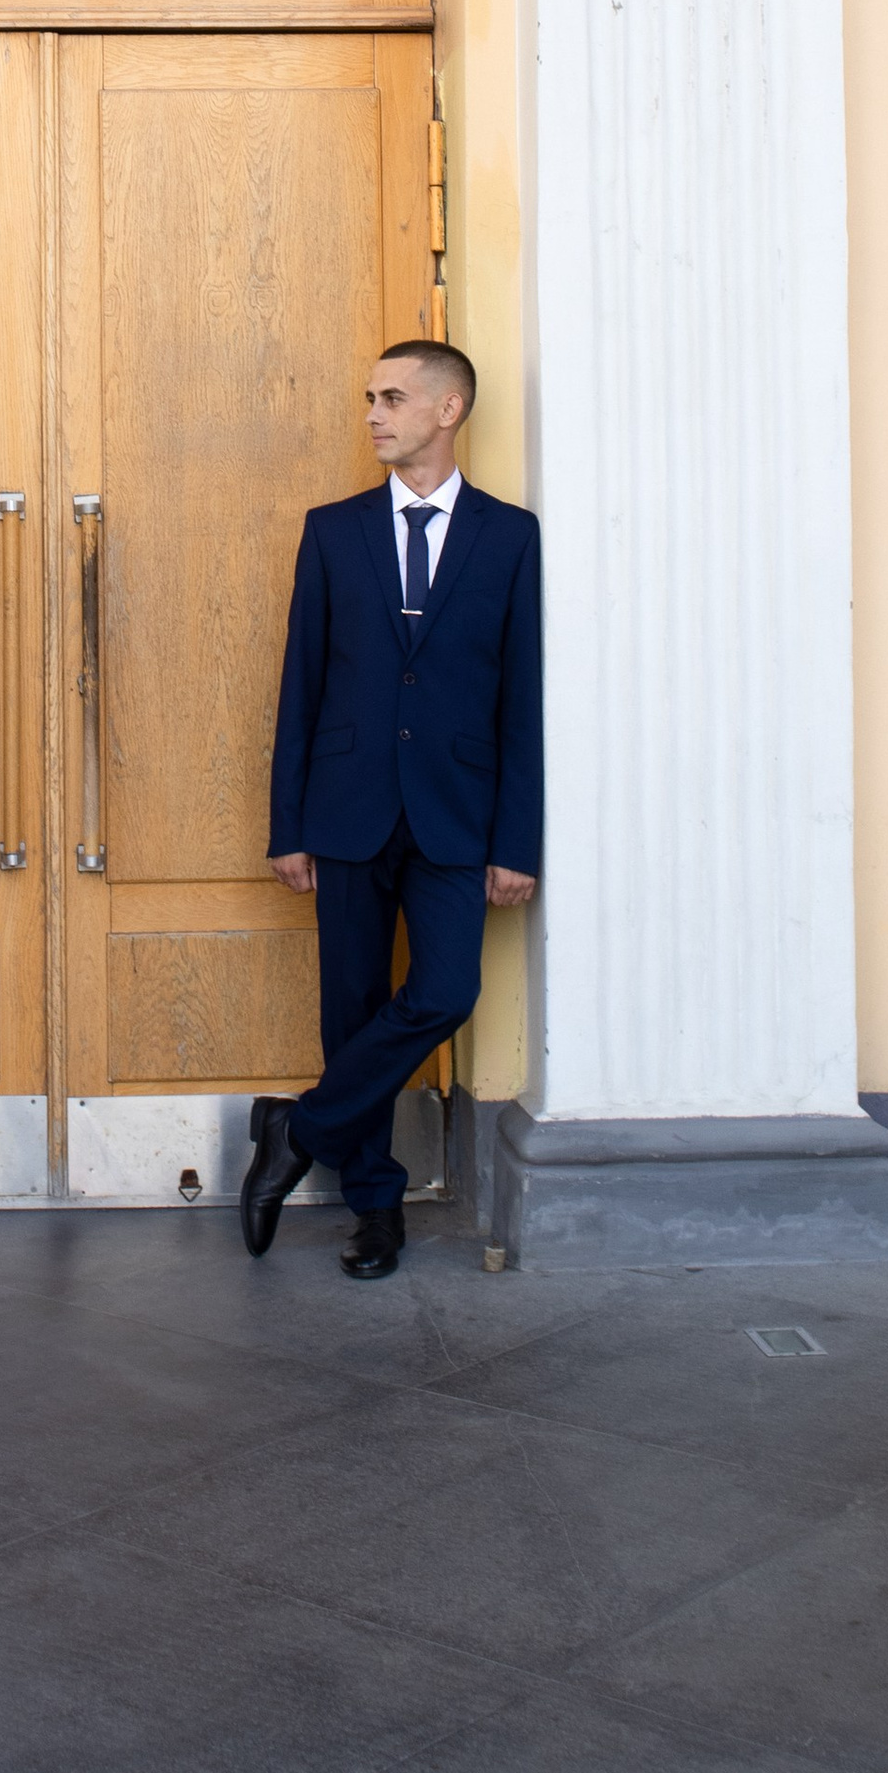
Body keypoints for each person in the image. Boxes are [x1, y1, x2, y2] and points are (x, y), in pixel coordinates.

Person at [240, 340, 542, 1280]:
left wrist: (517, 841)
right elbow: (301, 682)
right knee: (353, 1007)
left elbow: (522, 698)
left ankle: (299, 1128)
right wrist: (289, 825)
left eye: (393, 397)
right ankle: (375, 1207)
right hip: (347, 807)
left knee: (446, 991)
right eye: (370, 397)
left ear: (448, 410)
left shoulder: (510, 536)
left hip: (457, 812)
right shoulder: (334, 531)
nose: (374, 413)